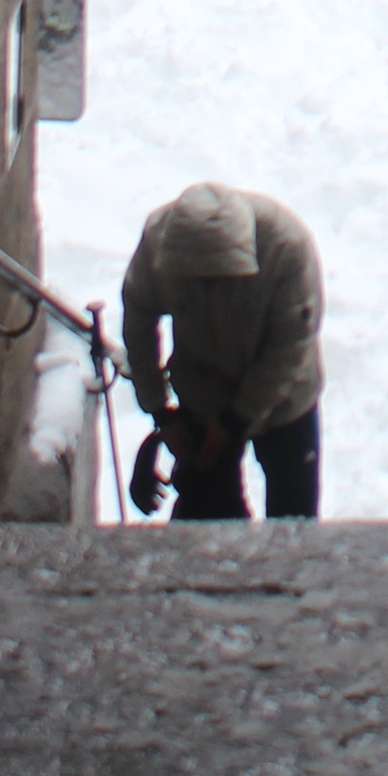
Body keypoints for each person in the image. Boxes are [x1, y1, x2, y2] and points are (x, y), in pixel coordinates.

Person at [121, 180, 325, 521]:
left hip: (285, 397)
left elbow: (289, 346)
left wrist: (234, 421)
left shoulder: (285, 248)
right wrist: (160, 411)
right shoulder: (158, 244)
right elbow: (138, 320)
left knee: (294, 522)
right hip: (204, 389)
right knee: (206, 519)